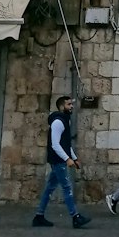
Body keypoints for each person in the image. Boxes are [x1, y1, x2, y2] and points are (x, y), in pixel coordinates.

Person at [33, 94, 91, 228]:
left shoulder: (65, 120)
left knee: (49, 188)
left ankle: (39, 216)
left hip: (59, 159)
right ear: (61, 106)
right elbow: (55, 144)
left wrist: (74, 158)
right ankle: (75, 217)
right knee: (67, 188)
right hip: (57, 160)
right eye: (68, 104)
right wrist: (67, 159)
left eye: (71, 104)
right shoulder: (58, 122)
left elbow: (66, 143)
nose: (71, 107)